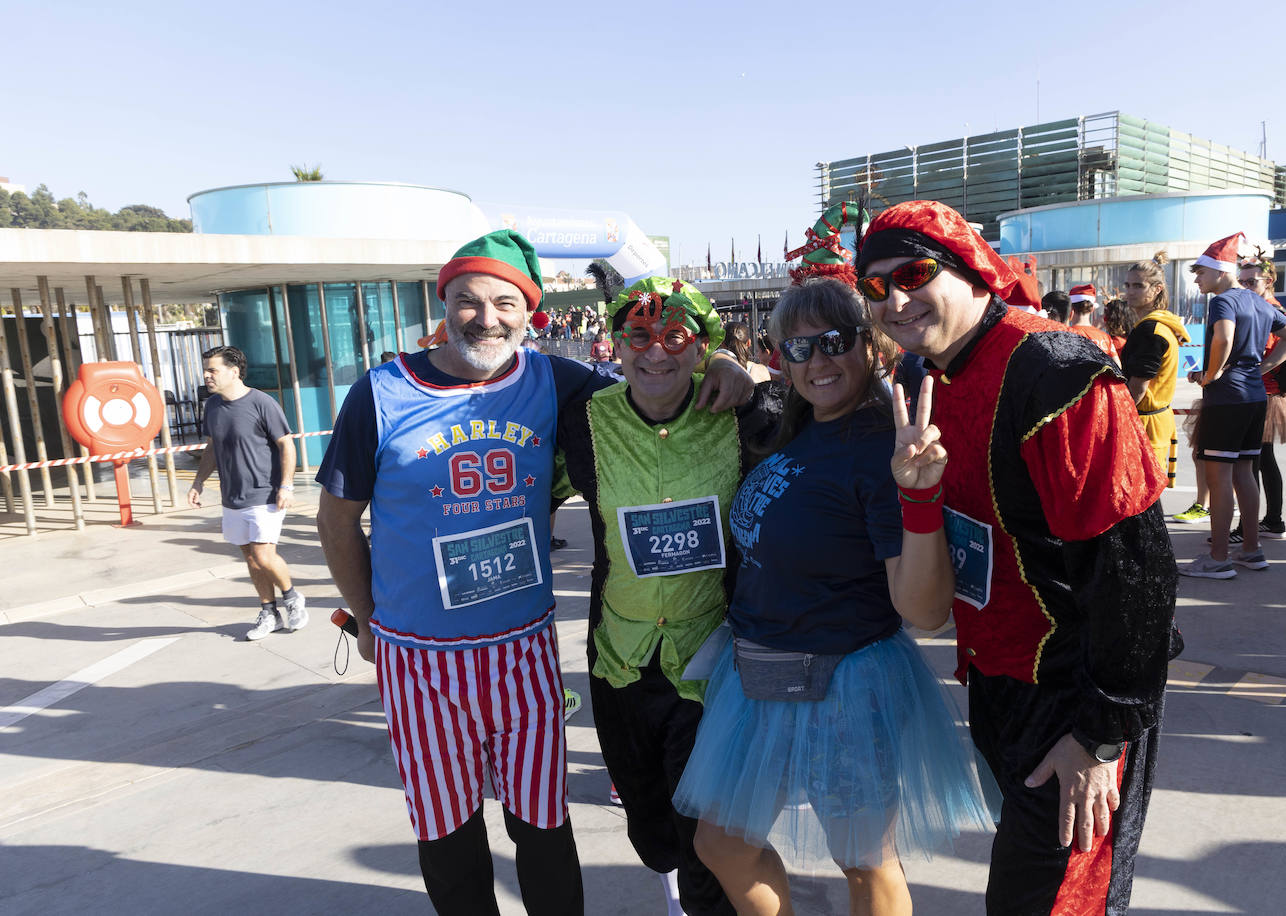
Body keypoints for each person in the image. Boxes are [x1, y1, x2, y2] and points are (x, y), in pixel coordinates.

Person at [313, 229, 755, 916]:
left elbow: (657, 374)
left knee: (543, 822)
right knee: (447, 826)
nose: (485, 318)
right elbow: (336, 521)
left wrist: (727, 357)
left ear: (530, 313)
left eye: (504, 302)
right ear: (444, 304)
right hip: (421, 658)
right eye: (467, 301)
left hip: (523, 647)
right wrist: (366, 619)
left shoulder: (553, 380)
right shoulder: (382, 391)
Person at [855, 200, 1181, 915]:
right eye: (876, 286)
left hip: (1076, 697)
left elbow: (1136, 566)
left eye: (913, 273)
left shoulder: (1053, 369)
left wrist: (1099, 735)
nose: (897, 298)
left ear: (971, 270)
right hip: (999, 687)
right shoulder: (925, 378)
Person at [676, 277, 988, 916]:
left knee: (865, 861)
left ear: (870, 346)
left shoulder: (879, 446)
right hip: (757, 671)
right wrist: (726, 359)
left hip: (843, 683)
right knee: (722, 843)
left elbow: (924, 612)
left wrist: (920, 494)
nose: (817, 361)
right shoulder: (803, 425)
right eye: (798, 349)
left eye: (834, 342)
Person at [559, 277, 781, 916]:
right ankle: (675, 885)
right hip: (620, 659)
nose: (656, 353)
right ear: (617, 344)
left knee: (705, 836)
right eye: (639, 336)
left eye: (676, 337)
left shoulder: (746, 416)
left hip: (711, 665)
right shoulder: (582, 422)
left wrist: (740, 367)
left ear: (701, 346)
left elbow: (817, 411)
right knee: (652, 827)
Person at [1178, 232, 1286, 579]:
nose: (1197, 279)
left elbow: (1224, 337)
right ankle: (1251, 549)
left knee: (1219, 478)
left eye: (1200, 272)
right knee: (1245, 473)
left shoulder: (1223, 301)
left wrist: (1211, 374)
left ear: (1219, 271)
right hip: (1254, 397)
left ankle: (1219, 558)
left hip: (1227, 399)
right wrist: (1262, 367)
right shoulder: (1259, 301)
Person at [188, 345, 305, 640]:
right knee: (251, 559)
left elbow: (286, 444)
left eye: (212, 370)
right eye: (206, 370)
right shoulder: (213, 406)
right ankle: (269, 611)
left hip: (265, 493)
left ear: (234, 371)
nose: (206, 376)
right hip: (232, 497)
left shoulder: (262, 403)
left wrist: (286, 486)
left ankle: (292, 598)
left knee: (264, 556)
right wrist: (198, 482)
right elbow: (212, 447)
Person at [1228, 257, 1286, 540]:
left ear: (1269, 281)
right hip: (1262, 392)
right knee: (1261, 460)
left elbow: (1271, 347)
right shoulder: (1262, 307)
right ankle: (1272, 521)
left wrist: (1258, 368)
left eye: (1252, 281)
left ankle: (1251, 526)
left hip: (1264, 394)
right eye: (1243, 282)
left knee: (1250, 463)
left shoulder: (1269, 310)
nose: (1246, 287)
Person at [1120, 251, 1190, 488]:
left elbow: (1139, 386)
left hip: (1144, 425)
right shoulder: (1157, 326)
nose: (1129, 291)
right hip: (1154, 421)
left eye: (1138, 286)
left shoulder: (1151, 330)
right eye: (1128, 285)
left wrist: (1117, 420)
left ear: (1157, 289)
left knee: (1139, 502)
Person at [1065, 284, 1120, 363]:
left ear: (1070, 308)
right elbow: (1117, 366)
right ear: (1092, 309)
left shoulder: (1066, 334)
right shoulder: (1105, 337)